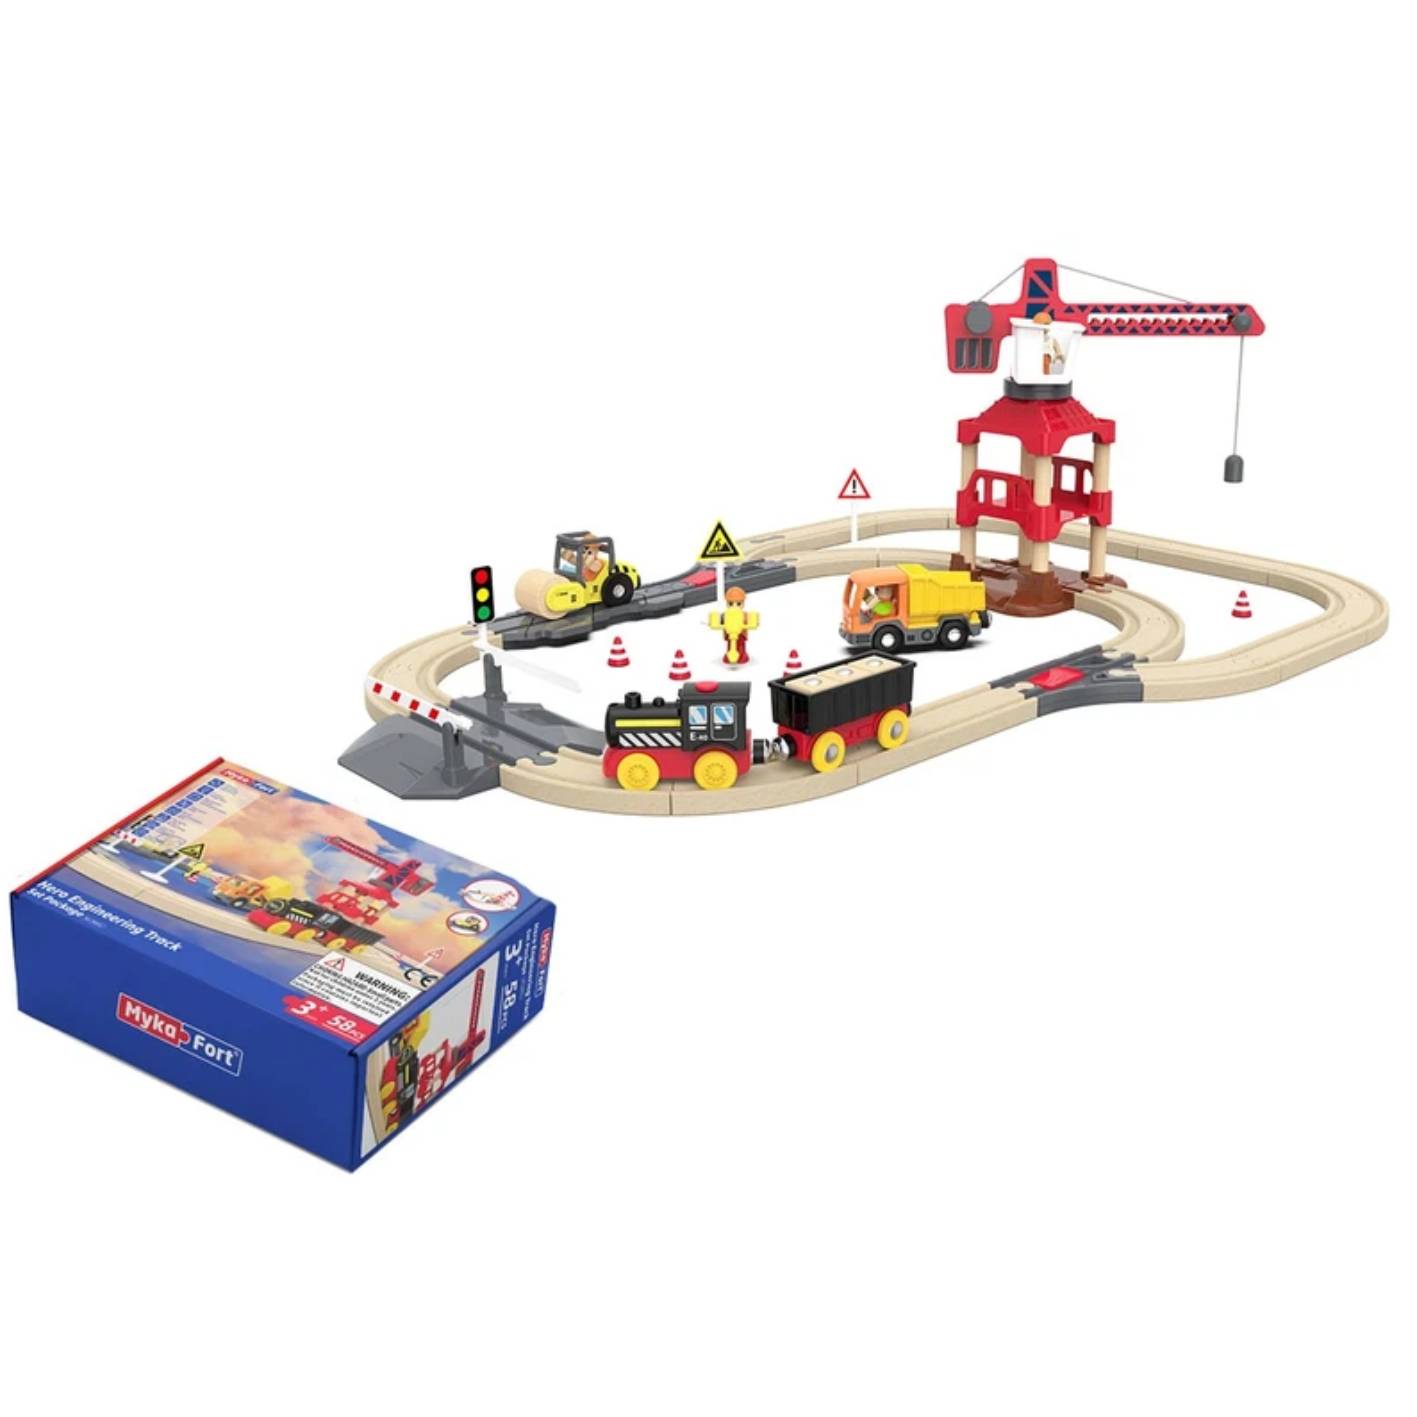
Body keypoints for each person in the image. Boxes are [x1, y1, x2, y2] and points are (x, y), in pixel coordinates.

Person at [708, 585, 759, 666]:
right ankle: (728, 657)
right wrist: (714, 622)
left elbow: (751, 622)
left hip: (741, 634)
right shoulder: (725, 614)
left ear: (743, 603)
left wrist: (753, 622)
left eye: (738, 603)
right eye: (731, 603)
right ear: (727, 603)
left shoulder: (744, 614)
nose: (734, 606)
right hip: (729, 633)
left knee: (741, 646)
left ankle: (742, 656)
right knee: (729, 645)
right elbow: (719, 622)